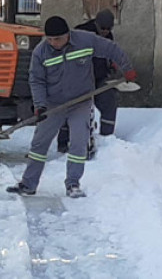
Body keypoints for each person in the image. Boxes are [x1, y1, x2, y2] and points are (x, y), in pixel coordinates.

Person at [7, 16, 137, 198]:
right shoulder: (41, 52)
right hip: (53, 104)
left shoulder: (85, 40)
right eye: (50, 39)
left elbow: (111, 49)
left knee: (78, 142)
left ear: (68, 34)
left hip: (80, 101)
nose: (54, 43)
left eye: (58, 39)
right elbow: (36, 80)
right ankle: (28, 184)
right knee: (39, 143)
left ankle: (73, 184)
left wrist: (127, 68)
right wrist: (40, 105)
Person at [57, 9, 118, 155]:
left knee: (109, 100)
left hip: (98, 78)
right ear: (96, 24)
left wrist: (112, 63)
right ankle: (63, 143)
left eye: (108, 29)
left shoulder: (108, 36)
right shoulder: (80, 33)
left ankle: (106, 139)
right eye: (102, 28)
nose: (105, 32)